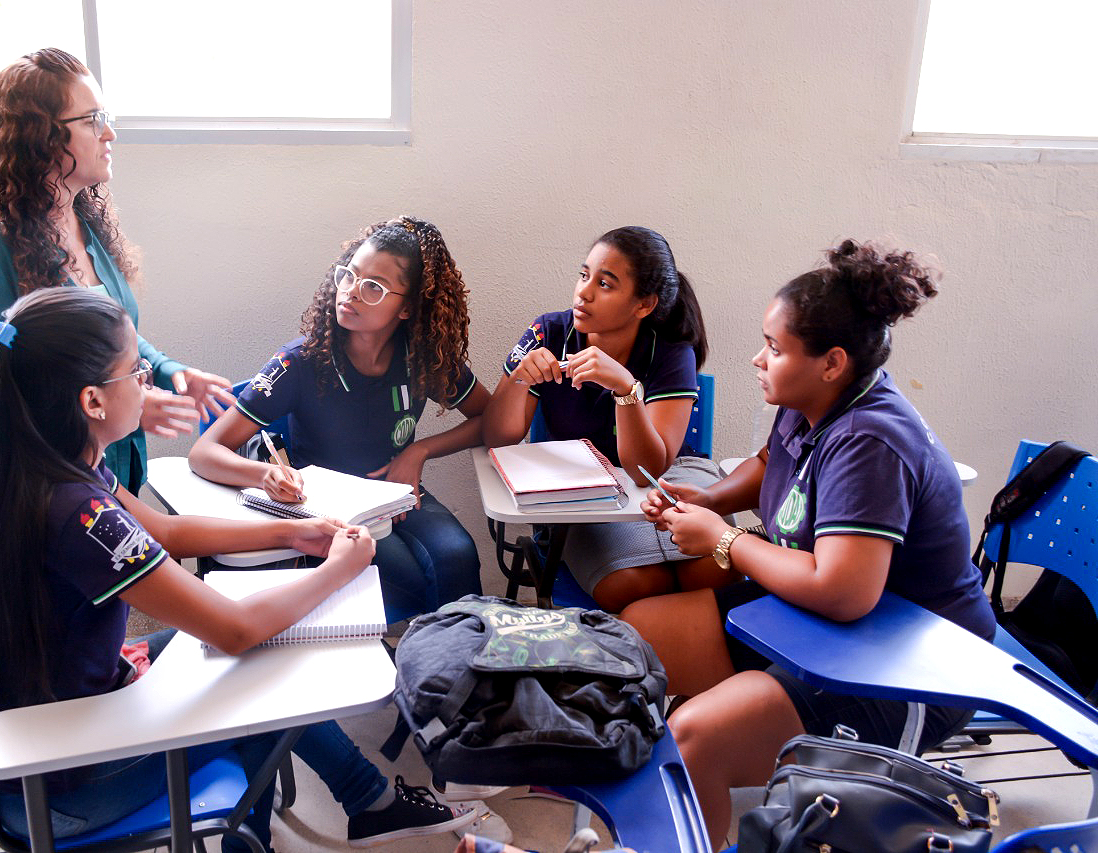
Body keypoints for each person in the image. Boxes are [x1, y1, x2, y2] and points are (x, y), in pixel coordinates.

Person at [0, 287, 475, 850]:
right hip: (67, 779)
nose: (148, 384)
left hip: (61, 723)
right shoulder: (80, 514)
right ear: (93, 401)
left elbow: (167, 531)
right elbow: (235, 628)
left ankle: (345, 808)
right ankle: (347, 809)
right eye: (138, 373)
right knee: (261, 666)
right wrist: (337, 572)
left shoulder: (52, 464)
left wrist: (293, 530)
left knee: (260, 658)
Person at [621, 239, 997, 849]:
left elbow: (843, 591)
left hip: (908, 666)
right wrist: (711, 500)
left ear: (832, 362)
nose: (757, 359)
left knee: (693, 739)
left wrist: (723, 540)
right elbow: (773, 460)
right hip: (822, 629)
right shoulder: (812, 400)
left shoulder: (870, 440)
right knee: (632, 637)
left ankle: (708, 796)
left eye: (774, 348)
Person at [0, 47, 234, 498]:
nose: (110, 133)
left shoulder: (80, 218)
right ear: (40, 137)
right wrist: (118, 407)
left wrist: (167, 371)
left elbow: (111, 336)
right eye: (93, 120)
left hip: (110, 466)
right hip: (35, 486)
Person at [189, 217, 489, 623]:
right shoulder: (300, 362)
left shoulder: (421, 356)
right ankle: (426, 665)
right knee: (411, 578)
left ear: (407, 308)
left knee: (458, 556)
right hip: (329, 513)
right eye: (349, 275)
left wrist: (419, 451)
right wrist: (263, 475)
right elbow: (205, 452)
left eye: (373, 287)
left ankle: (460, 672)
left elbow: (488, 417)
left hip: (396, 496)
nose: (349, 292)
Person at [481, 226, 718, 612]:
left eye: (605, 284)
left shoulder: (671, 351)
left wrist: (626, 390)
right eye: (584, 275)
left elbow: (646, 471)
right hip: (583, 496)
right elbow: (497, 436)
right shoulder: (548, 333)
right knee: (631, 584)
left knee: (712, 569)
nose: (584, 292)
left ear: (644, 305)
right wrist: (521, 377)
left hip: (673, 480)